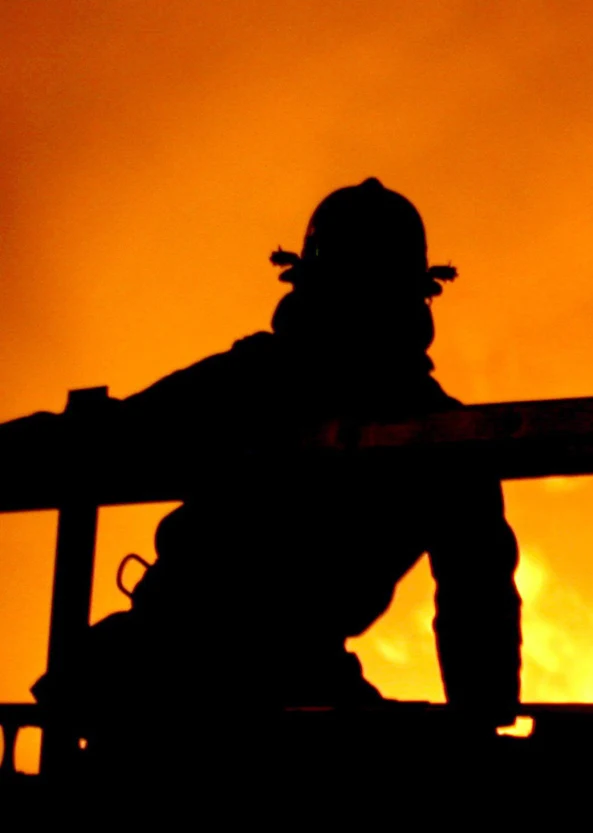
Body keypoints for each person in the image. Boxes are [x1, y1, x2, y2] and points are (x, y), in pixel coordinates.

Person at [28, 179, 522, 749]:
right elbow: (477, 598)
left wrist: (479, 721)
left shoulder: (251, 383)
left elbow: (476, 597)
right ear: (418, 297)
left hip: (194, 672)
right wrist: (480, 728)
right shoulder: (437, 434)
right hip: (182, 666)